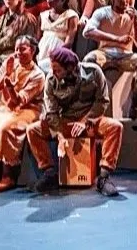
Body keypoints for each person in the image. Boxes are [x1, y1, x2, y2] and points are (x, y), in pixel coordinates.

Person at [25, 47, 123, 197]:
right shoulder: (51, 80)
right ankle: (49, 173)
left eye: (57, 70)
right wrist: (59, 135)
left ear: (70, 67)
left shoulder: (93, 72)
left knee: (115, 127)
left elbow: (102, 101)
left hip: (89, 122)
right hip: (64, 123)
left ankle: (104, 177)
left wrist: (85, 121)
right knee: (33, 130)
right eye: (52, 69)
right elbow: (51, 111)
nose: (53, 73)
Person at [0, 35, 45, 192]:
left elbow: (19, 101)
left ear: (32, 50)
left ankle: (8, 176)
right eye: (16, 49)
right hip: (5, 108)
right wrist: (5, 74)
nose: (18, 53)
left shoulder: (38, 75)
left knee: (6, 129)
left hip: (28, 110)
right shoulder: (9, 62)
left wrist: (10, 86)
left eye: (22, 49)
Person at [82, 0, 137, 119]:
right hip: (104, 53)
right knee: (89, 60)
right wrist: (116, 39)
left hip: (125, 55)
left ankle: (134, 106)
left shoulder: (135, 16)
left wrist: (135, 22)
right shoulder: (102, 12)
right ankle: (90, 101)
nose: (124, 1)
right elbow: (87, 32)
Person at [0, 0, 39, 72]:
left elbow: (29, 46)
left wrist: (4, 59)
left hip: (16, 58)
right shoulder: (1, 19)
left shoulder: (27, 19)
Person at [37, 0, 78, 72]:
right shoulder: (42, 15)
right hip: (42, 50)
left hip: (60, 51)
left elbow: (69, 42)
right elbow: (37, 38)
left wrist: (55, 54)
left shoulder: (71, 15)